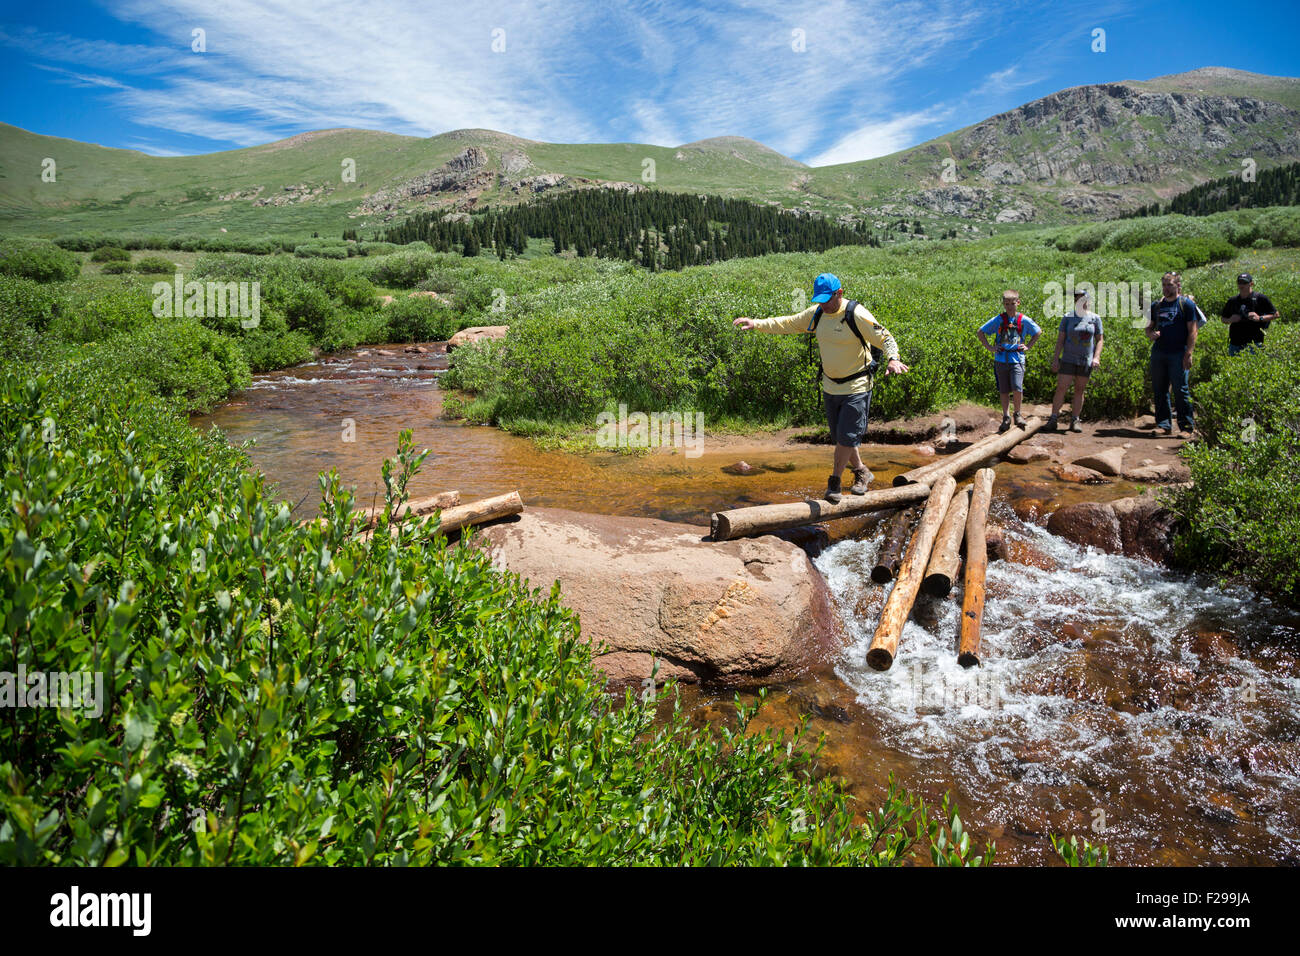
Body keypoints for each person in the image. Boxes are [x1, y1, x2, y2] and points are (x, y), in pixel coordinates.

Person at [733, 273, 908, 503]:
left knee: (846, 438)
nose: (824, 304)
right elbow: (788, 323)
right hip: (830, 386)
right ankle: (862, 472)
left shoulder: (855, 313)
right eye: (820, 300)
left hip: (857, 386)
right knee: (842, 438)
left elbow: (885, 337)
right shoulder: (817, 313)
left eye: (828, 299)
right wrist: (756, 323)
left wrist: (893, 358)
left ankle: (834, 483)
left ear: (840, 293)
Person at [976, 290, 1041, 432]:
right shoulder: (998, 320)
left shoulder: (1023, 320)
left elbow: (1038, 331)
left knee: (1017, 387)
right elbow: (980, 332)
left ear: (1018, 302)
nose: (1010, 307)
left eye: (1012, 303)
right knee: (1004, 389)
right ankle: (1006, 416)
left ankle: (1017, 413)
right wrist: (990, 348)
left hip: (1017, 359)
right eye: (1007, 304)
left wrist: (1028, 346)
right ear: (1003, 304)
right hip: (1000, 359)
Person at [1144, 271, 1198, 436]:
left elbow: (1193, 330)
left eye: (1170, 285)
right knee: (1159, 388)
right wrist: (1151, 334)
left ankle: (1186, 427)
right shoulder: (1157, 305)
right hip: (1159, 352)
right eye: (1164, 285)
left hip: (1178, 352)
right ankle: (1164, 424)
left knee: (1181, 389)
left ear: (1178, 286)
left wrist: (1189, 353)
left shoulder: (1186, 304)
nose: (1166, 288)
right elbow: (1148, 327)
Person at [1048, 290, 1103, 432]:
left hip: (1085, 360)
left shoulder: (1095, 318)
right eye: (1078, 299)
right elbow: (1060, 340)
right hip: (1068, 359)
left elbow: (1100, 340)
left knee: (1079, 390)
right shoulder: (1068, 317)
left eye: (1083, 299)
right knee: (1061, 388)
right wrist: (1055, 359)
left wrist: (1096, 357)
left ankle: (1075, 420)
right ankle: (1053, 418)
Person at [1220, 272, 1279, 356]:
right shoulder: (1232, 301)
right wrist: (1230, 320)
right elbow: (1223, 318)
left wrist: (1259, 318)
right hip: (1235, 343)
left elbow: (1276, 314)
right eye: (1239, 283)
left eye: (1244, 283)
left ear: (1251, 284)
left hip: (1254, 343)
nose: (1241, 285)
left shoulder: (1260, 298)